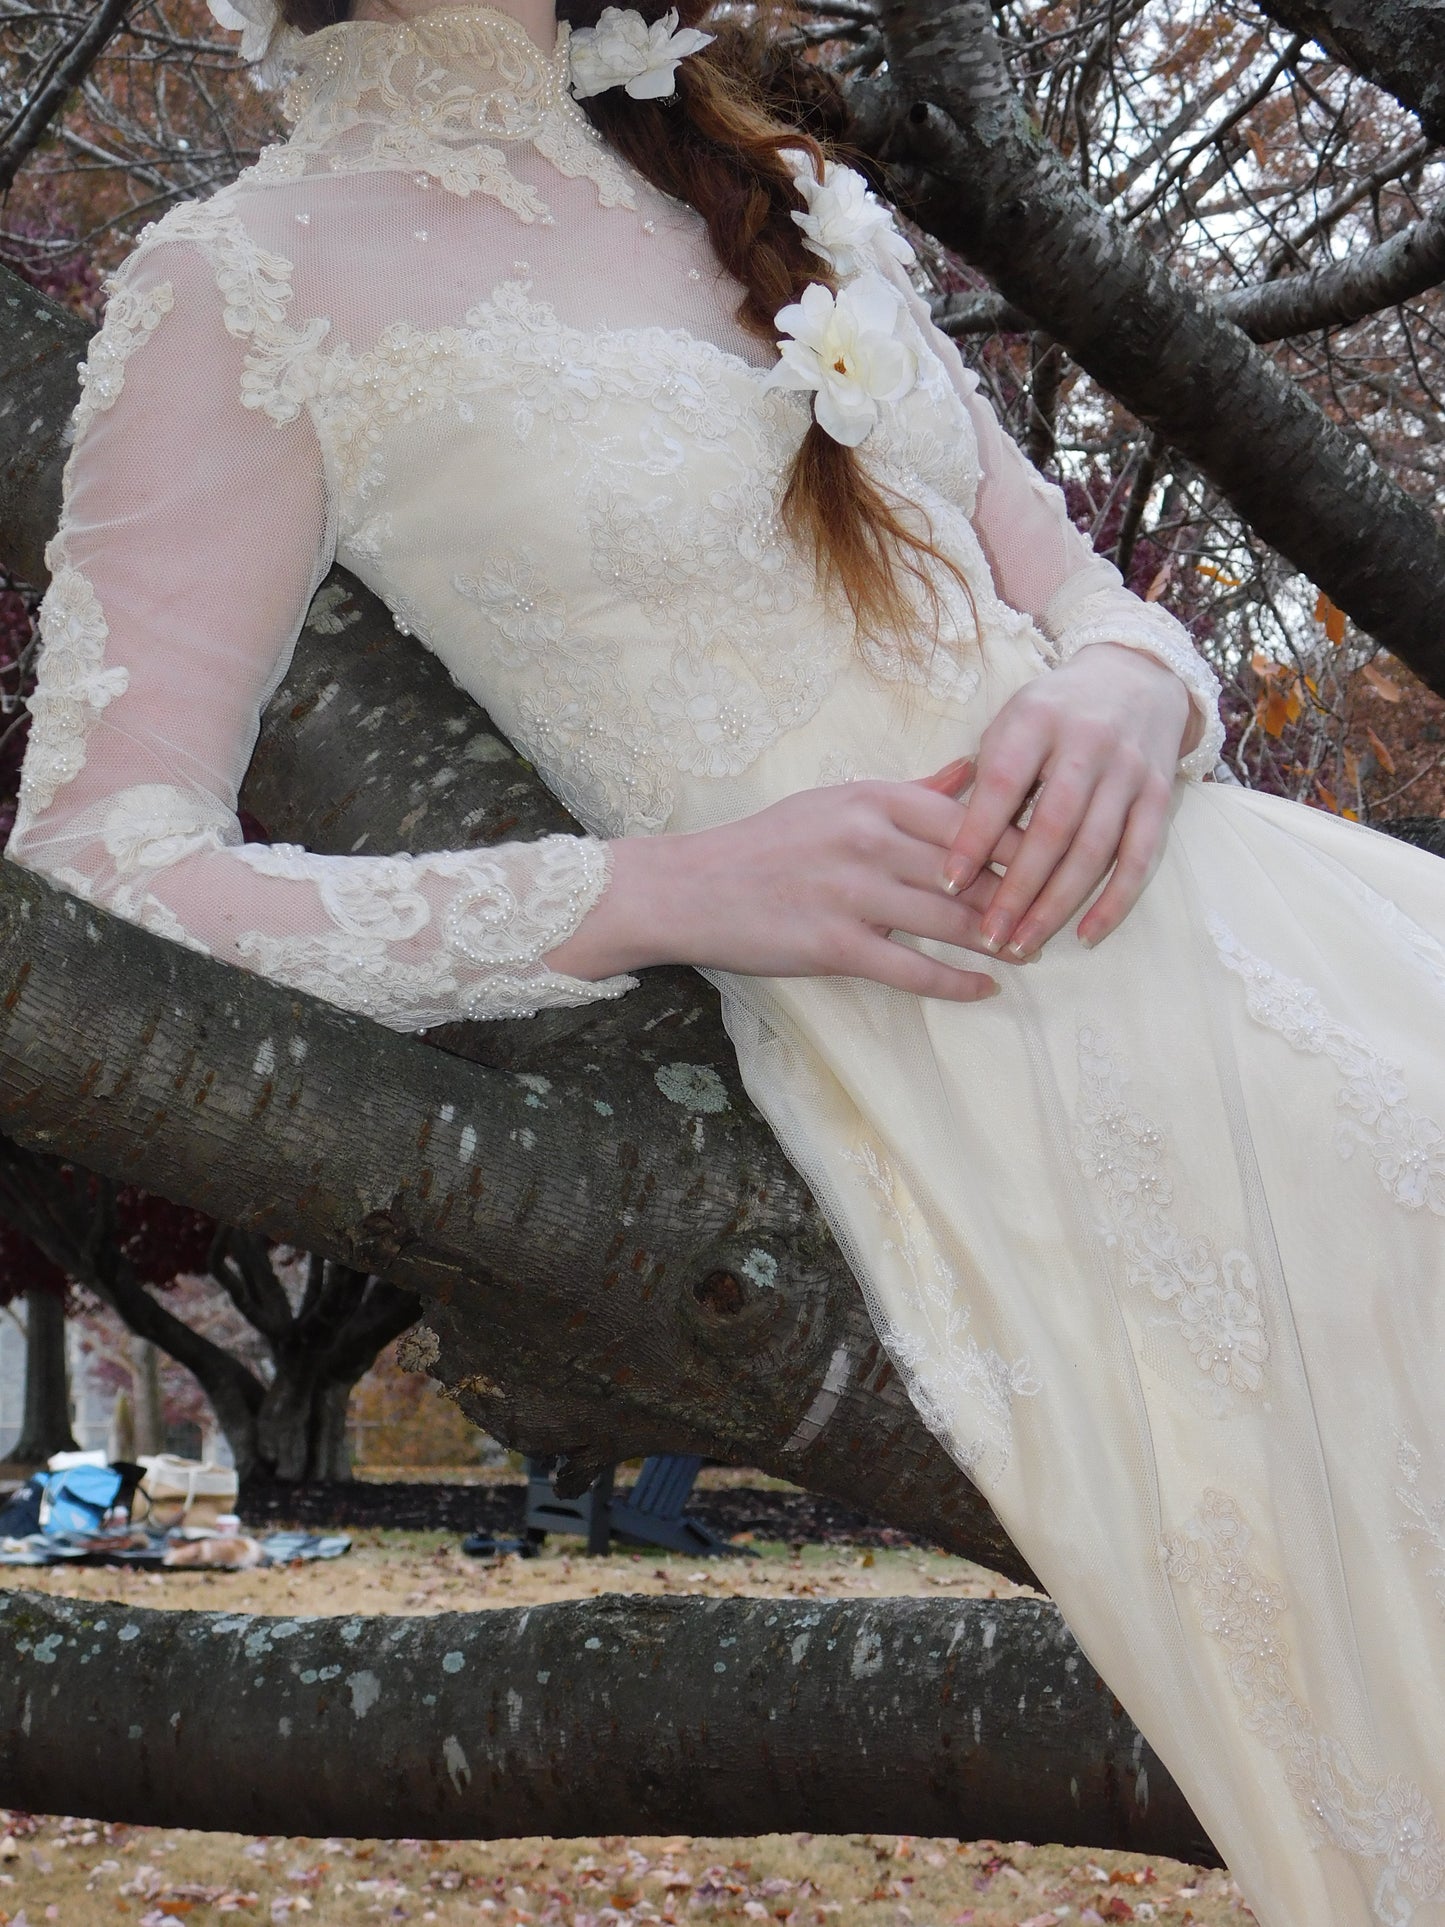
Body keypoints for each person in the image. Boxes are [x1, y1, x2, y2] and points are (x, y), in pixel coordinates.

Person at [6, 0, 1443, 1916]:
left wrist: (1129, 682)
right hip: (971, 1057)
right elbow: (101, 874)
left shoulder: (784, 182)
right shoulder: (239, 283)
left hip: (1274, 919)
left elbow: (1079, 589)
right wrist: (655, 890)